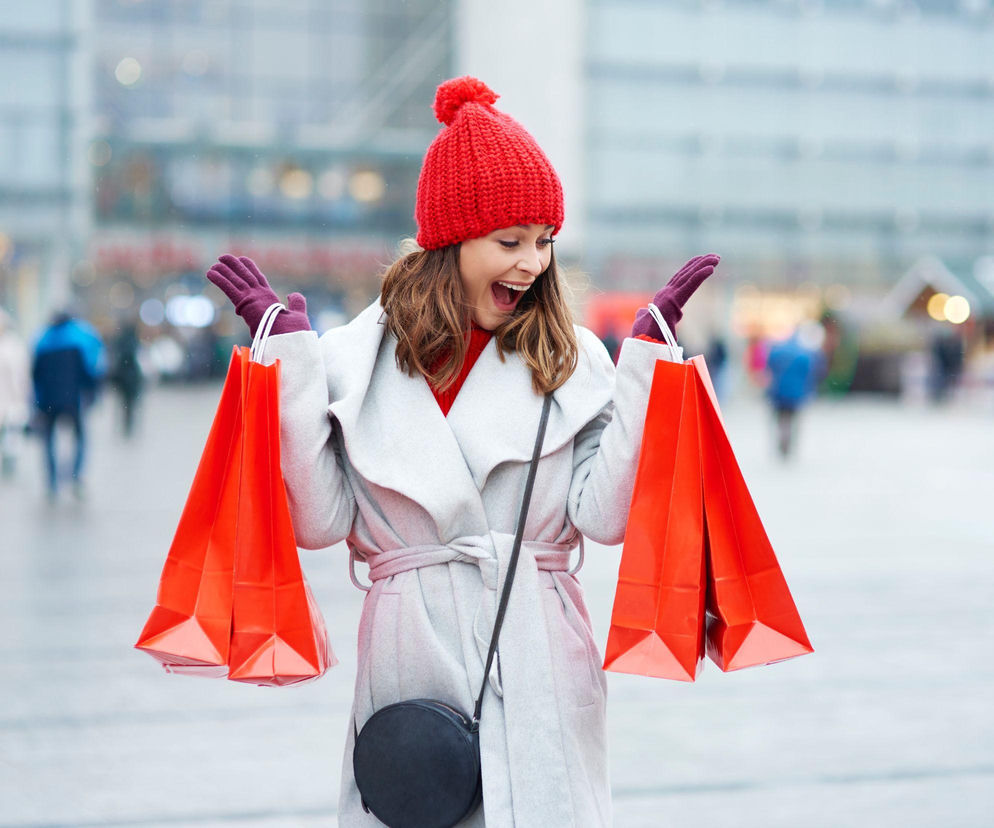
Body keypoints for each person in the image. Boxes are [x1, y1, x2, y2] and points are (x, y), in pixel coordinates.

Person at [207, 76, 719, 826]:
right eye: (509, 242)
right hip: (411, 658)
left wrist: (645, 365)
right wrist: (289, 366)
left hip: (539, 651)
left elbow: (603, 519)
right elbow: (319, 524)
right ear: (448, 243)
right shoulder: (354, 360)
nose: (532, 264)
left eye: (543, 241)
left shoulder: (571, 357)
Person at [31, 309, 105, 499]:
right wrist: (94, 394)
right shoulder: (78, 341)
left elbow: (35, 376)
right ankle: (76, 476)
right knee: (80, 438)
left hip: (48, 401)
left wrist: (37, 402)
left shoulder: (43, 342)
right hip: (72, 400)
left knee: (49, 441)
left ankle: (52, 481)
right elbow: (88, 373)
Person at [765, 324, 824, 459]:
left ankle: (782, 438)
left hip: (779, 390)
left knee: (781, 417)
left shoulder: (778, 350)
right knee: (794, 418)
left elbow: (770, 366)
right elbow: (810, 373)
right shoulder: (804, 353)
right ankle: (790, 442)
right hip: (796, 392)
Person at [0, 308, 30, 478]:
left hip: (9, 399)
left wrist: (21, 396)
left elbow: (19, 376)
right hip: (6, 398)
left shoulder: (13, 347)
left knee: (10, 435)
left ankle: (8, 464)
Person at [109, 322, 144, 437]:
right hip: (131, 380)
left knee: (124, 405)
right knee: (130, 405)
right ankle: (128, 427)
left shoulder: (121, 342)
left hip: (123, 379)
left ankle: (125, 426)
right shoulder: (134, 343)